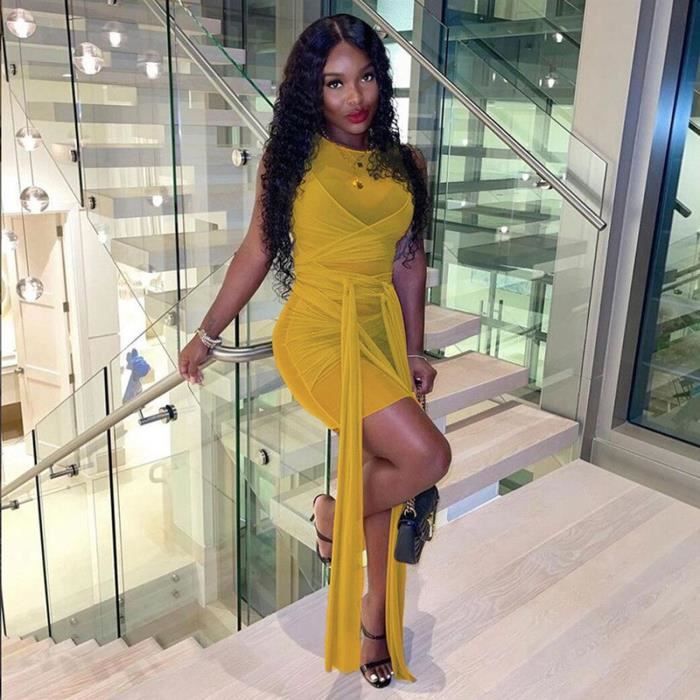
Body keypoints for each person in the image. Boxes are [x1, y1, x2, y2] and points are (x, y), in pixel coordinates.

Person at [178, 13, 451, 689]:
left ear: (381, 80)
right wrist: (208, 333)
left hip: (378, 329)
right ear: (312, 89)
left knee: (389, 474)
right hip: (317, 333)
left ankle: (373, 620)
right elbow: (257, 250)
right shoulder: (291, 160)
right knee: (426, 456)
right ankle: (334, 513)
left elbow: (408, 262)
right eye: (335, 83)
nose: (355, 97)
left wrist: (414, 350)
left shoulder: (408, 164)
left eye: (366, 78)